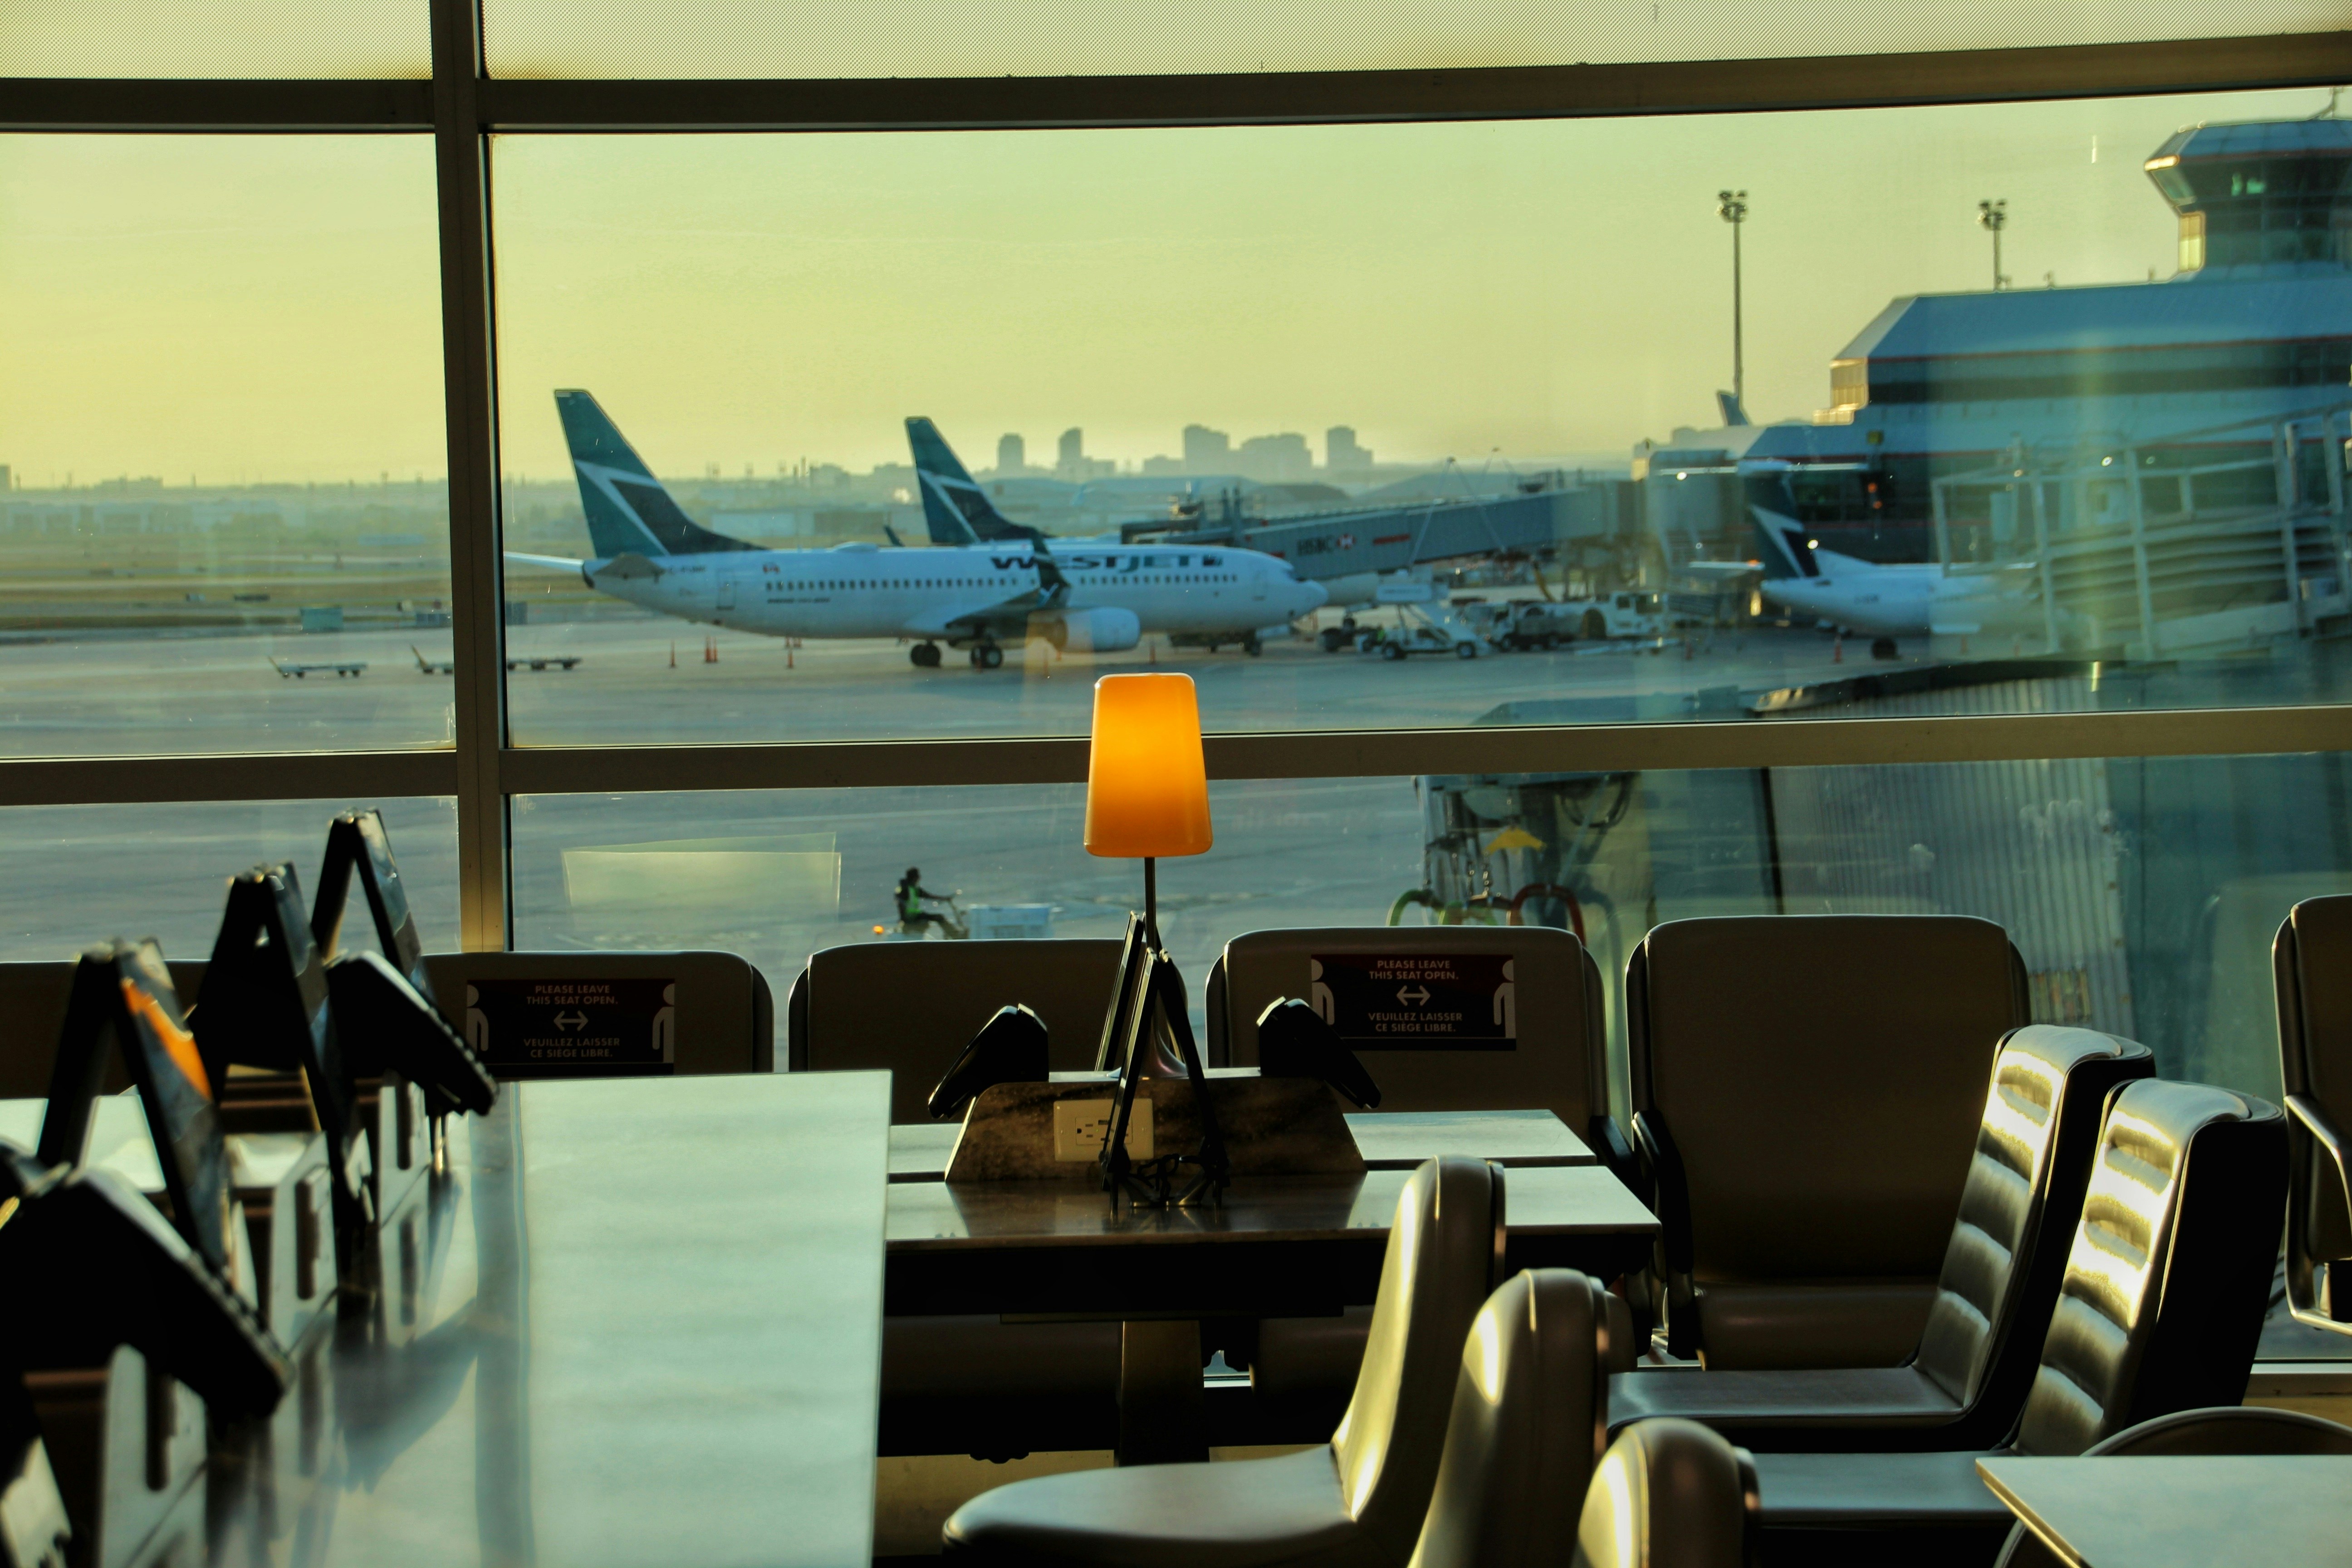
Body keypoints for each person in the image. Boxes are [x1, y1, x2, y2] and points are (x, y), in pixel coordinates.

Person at [896, 867, 951, 935]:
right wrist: (904, 919)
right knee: (939, 917)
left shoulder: (912, 888)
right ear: (915, 877)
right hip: (911, 917)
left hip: (913, 915)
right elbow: (901, 903)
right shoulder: (906, 890)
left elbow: (928, 895)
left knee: (934, 917)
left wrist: (944, 898)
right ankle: (953, 935)